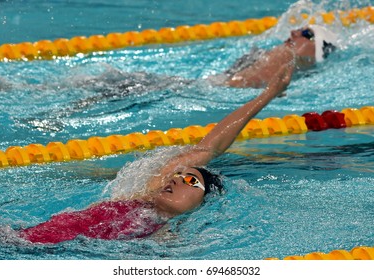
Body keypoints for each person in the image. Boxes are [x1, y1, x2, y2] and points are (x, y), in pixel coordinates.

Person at [18, 59, 294, 244]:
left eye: (190, 181)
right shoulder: (143, 197)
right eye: (179, 174)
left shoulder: (168, 240)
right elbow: (209, 146)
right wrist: (266, 95)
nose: (177, 179)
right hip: (23, 240)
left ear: (202, 203)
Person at [208, 24, 338, 88]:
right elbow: (231, 85)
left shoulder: (285, 57)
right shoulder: (284, 55)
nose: (293, 32)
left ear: (318, 48)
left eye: (306, 33)